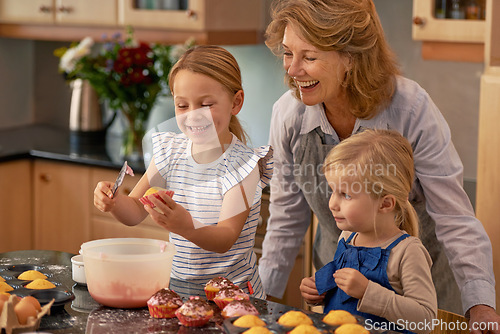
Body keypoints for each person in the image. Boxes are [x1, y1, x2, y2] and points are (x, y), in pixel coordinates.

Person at [258, 0, 500, 331]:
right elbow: (286, 219)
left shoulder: (410, 110)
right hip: (341, 289)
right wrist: (262, 300)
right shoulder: (289, 115)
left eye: (309, 57)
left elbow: (455, 219)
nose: (292, 69)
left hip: (419, 288)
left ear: (350, 58)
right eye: (288, 53)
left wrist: (482, 306)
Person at [94, 45, 273, 299]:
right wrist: (113, 202)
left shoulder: (244, 166)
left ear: (236, 102)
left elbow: (225, 238)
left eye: (206, 104)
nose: (193, 116)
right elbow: (134, 210)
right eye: (182, 105)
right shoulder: (170, 151)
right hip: (180, 290)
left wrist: (186, 227)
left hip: (234, 294)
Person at [300, 129, 437, 334]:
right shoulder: (347, 238)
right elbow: (343, 304)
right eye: (332, 191)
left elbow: (426, 320)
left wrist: (368, 292)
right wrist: (317, 293)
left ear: (385, 204)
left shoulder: (408, 252)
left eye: (345, 195)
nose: (332, 204)